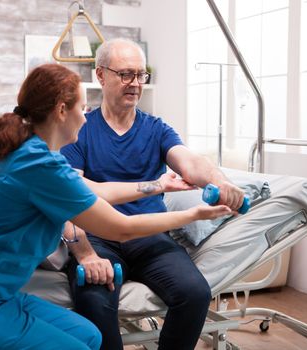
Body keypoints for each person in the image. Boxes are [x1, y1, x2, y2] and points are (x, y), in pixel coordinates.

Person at [0, 63, 232, 350]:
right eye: (81, 106)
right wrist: (194, 214)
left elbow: (96, 190)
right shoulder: (37, 165)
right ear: (62, 111)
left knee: (90, 338)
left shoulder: (36, 155)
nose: (85, 114)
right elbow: (120, 227)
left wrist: (160, 185)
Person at [60, 38, 246, 350]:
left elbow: (191, 162)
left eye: (140, 75)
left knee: (195, 293)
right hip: (99, 237)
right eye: (125, 74)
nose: (134, 83)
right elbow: (68, 199)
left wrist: (220, 181)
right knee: (93, 300)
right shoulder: (78, 129)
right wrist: (85, 254)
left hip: (149, 235)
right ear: (100, 76)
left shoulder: (156, 129)